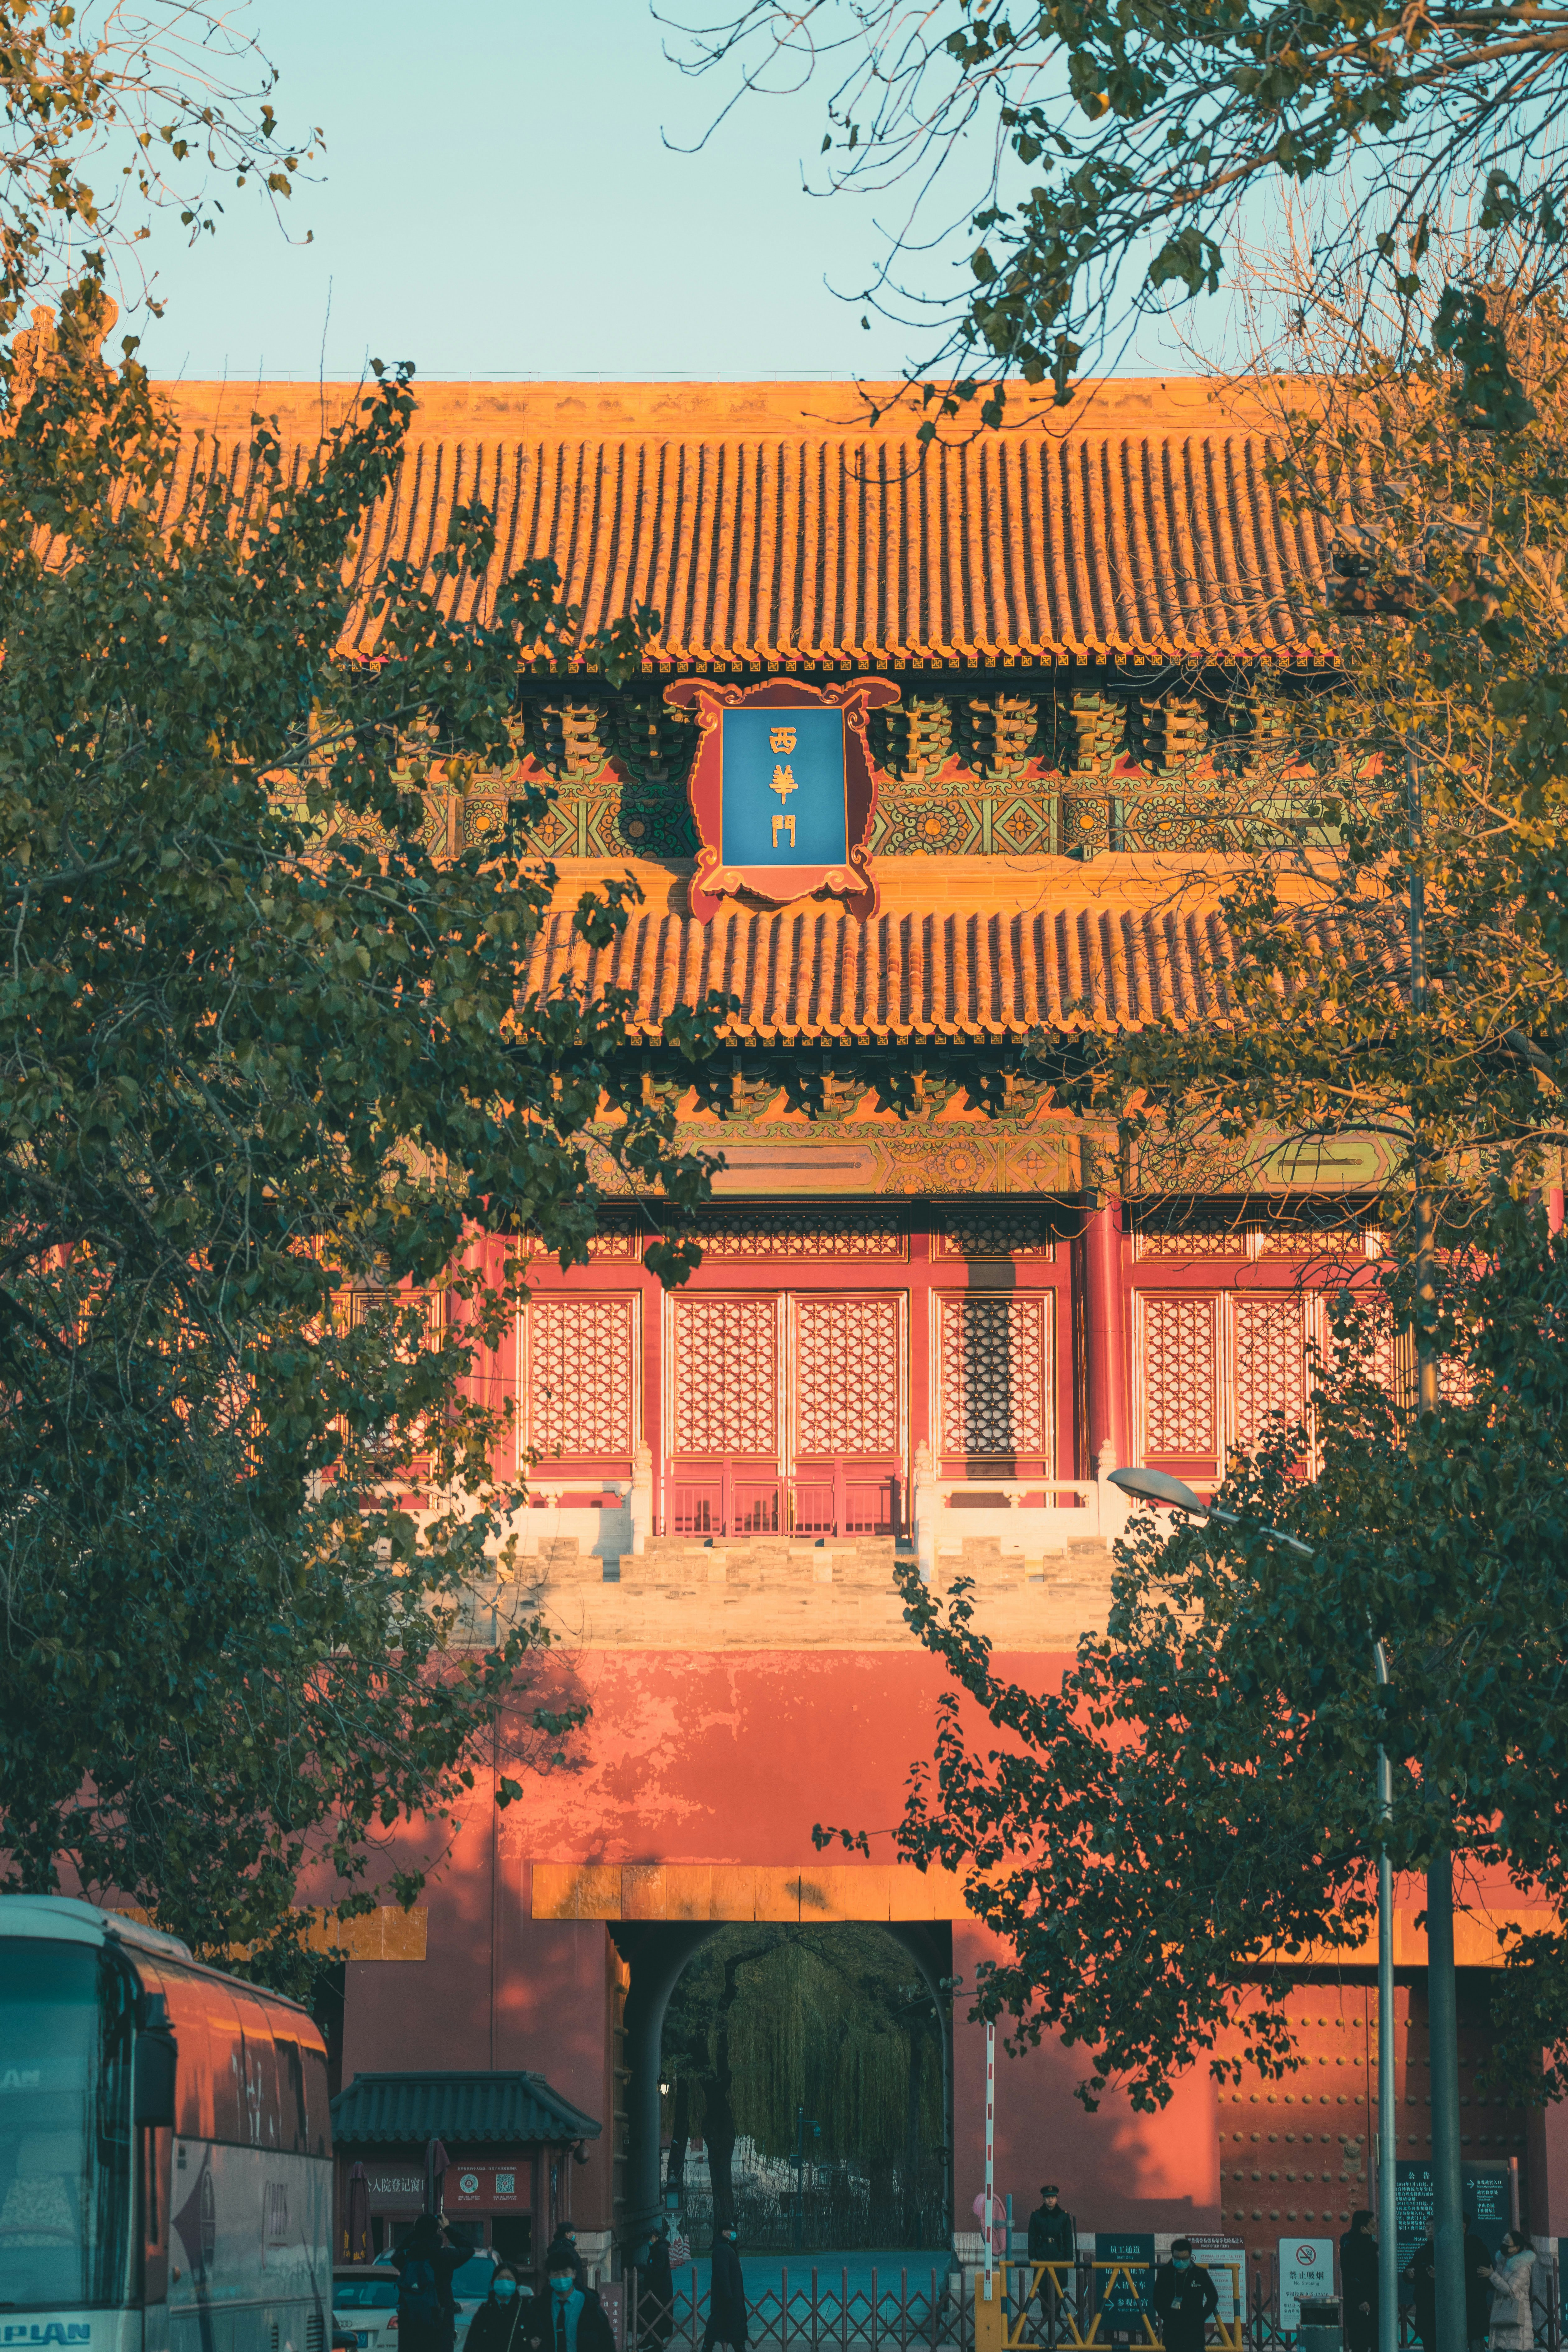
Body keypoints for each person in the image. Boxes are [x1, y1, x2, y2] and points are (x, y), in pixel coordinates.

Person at [392, 2215, 470, 2352]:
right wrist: (447, 2228)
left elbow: (395, 2256)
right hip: (440, 2322)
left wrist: (416, 2232)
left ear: (417, 2231)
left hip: (411, 2323)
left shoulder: (407, 2256)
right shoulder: (444, 2256)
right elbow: (468, 2249)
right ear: (437, 2231)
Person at [529, 2249, 615, 2352]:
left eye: (566, 2274)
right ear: (549, 2276)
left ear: (574, 2274)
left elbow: (606, 2343)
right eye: (556, 2274)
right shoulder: (539, 2307)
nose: (561, 2278)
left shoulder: (590, 2306)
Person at [1025, 2187, 1076, 2341]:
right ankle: (1044, 2331)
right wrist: (1032, 2257)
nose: (1050, 2200)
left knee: (1059, 2295)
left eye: (1053, 2197)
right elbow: (1032, 2237)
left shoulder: (1063, 2217)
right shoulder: (1036, 2216)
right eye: (1048, 2197)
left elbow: (1068, 2238)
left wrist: (1069, 2258)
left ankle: (1061, 2334)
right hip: (1042, 2258)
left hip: (1058, 2259)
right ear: (1043, 2199)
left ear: (1057, 2198)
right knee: (1043, 2295)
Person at [1152, 2241, 1218, 2352]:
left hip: (1195, 2332)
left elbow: (1213, 2297)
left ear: (1190, 2256)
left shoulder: (1200, 2273)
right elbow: (1157, 2299)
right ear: (1173, 2256)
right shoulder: (1165, 2273)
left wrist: (1201, 2317)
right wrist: (1168, 2317)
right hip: (1172, 2332)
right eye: (1177, 2258)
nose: (1181, 2262)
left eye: (1185, 2258)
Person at [1488, 2231, 1538, 2351]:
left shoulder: (1522, 2266)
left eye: (1507, 2243)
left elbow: (1511, 2290)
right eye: (1503, 2241)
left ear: (1516, 2248)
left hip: (1516, 2320)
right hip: (1502, 2316)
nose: (1503, 2245)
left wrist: (1492, 2276)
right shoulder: (1502, 2263)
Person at [705, 2219, 747, 2352]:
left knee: (725, 2328)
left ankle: (707, 2348)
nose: (734, 2234)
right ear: (724, 2233)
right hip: (727, 2300)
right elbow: (722, 2275)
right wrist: (729, 2296)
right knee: (730, 2328)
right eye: (731, 2231)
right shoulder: (722, 2250)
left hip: (731, 2298)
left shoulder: (728, 2249)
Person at [1339, 2210, 1379, 2352]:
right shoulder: (1357, 2248)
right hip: (1362, 2304)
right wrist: (1361, 2300)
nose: (1376, 2229)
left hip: (1366, 2303)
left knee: (1366, 2342)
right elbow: (1352, 2277)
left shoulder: (1351, 2244)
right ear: (1363, 2229)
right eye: (1373, 2226)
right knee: (1362, 2343)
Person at [468, 2270, 530, 2352]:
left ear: (517, 2284)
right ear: (493, 2283)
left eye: (509, 2279)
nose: (505, 2282)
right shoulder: (484, 2312)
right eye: (500, 2278)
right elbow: (471, 2345)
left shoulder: (526, 2311)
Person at [639, 2220, 675, 2352]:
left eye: (649, 2239)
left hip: (661, 2292)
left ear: (654, 2238)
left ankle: (658, 2345)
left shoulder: (661, 2249)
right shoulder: (656, 2248)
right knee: (651, 2316)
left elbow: (657, 2269)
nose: (647, 2242)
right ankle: (650, 2340)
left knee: (659, 2318)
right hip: (655, 2291)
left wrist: (643, 2268)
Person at [1403, 2219, 1437, 2352]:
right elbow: (1408, 2274)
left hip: (1441, 2305)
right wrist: (1409, 2273)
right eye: (1428, 2228)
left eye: (1433, 2228)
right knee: (1427, 2338)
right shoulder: (1420, 2252)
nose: (1430, 2231)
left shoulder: (1448, 2250)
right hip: (1424, 2304)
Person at [544, 2226, 588, 2293]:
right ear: (567, 2234)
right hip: (569, 2286)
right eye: (573, 2233)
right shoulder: (564, 2248)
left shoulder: (564, 2245)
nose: (574, 2235)